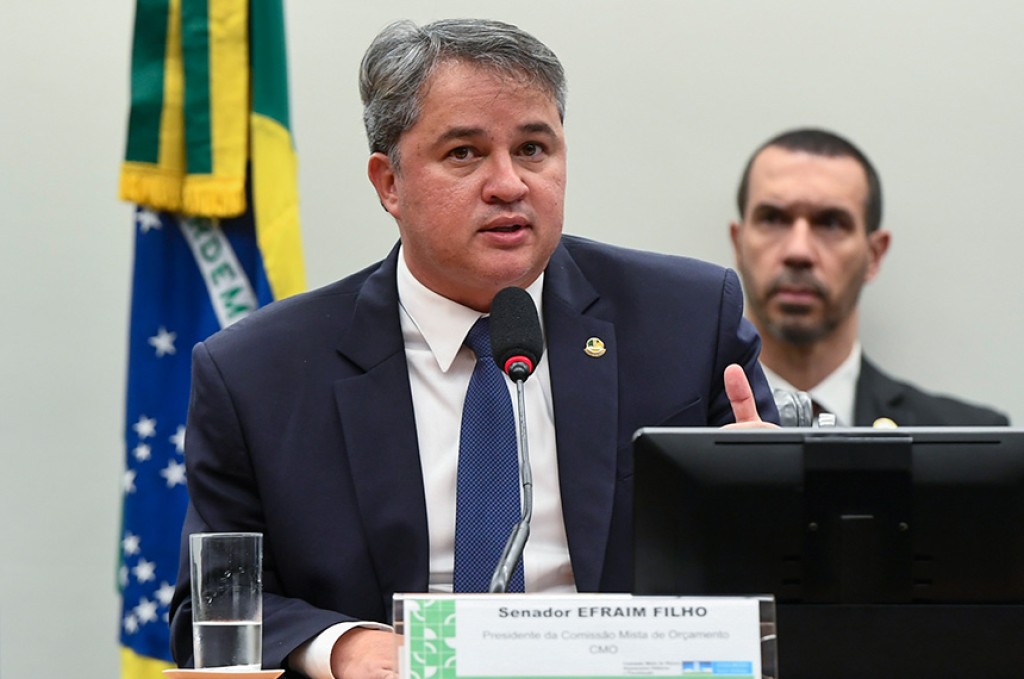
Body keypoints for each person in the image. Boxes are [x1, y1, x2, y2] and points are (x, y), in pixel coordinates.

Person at [169, 18, 778, 678]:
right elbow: (212, 607)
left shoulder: (687, 321)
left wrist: (779, 505)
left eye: (533, 149)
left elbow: (786, 579)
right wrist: (346, 646)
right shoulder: (259, 374)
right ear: (389, 183)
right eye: (464, 153)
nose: (509, 184)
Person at [730, 127, 1008, 427]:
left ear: (874, 255)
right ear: (738, 244)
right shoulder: (690, 428)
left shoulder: (972, 440)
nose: (799, 252)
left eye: (831, 223)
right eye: (772, 219)